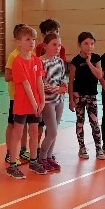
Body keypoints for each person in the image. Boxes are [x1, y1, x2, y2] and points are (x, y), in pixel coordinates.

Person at [7, 24, 46, 179]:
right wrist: (35, 103)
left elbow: (39, 81)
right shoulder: (17, 61)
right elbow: (26, 85)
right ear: (18, 42)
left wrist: (42, 100)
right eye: (27, 39)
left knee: (34, 132)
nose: (32, 42)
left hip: (35, 103)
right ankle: (12, 165)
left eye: (33, 39)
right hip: (23, 104)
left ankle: (34, 161)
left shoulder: (36, 60)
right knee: (17, 133)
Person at [69, 32, 105, 160]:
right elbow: (71, 81)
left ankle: (98, 148)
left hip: (91, 96)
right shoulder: (75, 61)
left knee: (94, 122)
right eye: (86, 43)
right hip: (78, 96)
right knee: (80, 122)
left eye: (92, 43)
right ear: (80, 44)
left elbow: (99, 75)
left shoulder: (96, 58)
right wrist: (71, 100)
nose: (89, 46)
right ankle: (82, 147)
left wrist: (89, 63)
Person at [39, 32, 68, 171]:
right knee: (53, 132)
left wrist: (64, 85)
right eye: (54, 44)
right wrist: (57, 89)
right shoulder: (40, 62)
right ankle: (42, 157)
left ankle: (49, 157)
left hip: (59, 100)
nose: (57, 48)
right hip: (47, 101)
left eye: (59, 45)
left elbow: (62, 77)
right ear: (45, 46)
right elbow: (41, 83)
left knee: (54, 129)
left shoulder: (60, 61)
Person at [4, 23, 29, 164]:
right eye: (26, 38)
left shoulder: (31, 55)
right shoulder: (13, 56)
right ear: (18, 40)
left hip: (28, 96)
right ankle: (9, 152)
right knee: (12, 125)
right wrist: (21, 74)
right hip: (16, 97)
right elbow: (7, 77)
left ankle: (23, 150)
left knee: (24, 125)